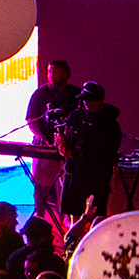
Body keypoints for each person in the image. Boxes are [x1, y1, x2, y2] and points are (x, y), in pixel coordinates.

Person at [26, 58, 82, 223]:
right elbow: (31, 120)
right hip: (46, 146)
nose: (51, 75)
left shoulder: (76, 94)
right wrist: (44, 138)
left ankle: (69, 220)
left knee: (69, 185)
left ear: (65, 74)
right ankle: (39, 218)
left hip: (70, 147)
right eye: (49, 71)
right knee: (41, 185)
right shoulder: (40, 94)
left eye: (55, 71)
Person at [58, 81, 122, 221]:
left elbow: (108, 151)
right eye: (84, 100)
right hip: (75, 173)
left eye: (89, 99)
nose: (85, 103)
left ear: (99, 100)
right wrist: (63, 145)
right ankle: (74, 240)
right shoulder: (75, 117)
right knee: (74, 214)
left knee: (97, 216)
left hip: (96, 176)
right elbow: (68, 140)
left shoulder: (109, 124)